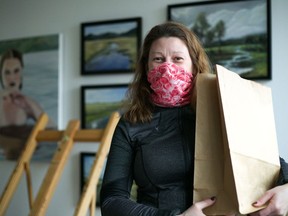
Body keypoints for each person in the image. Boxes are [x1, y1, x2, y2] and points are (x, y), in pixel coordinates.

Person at [100, 21, 288, 216]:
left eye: (178, 58)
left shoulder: (226, 110)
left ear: (194, 65)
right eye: (158, 59)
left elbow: (272, 167)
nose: (167, 67)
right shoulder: (131, 123)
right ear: (146, 67)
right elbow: (111, 200)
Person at [0, 49, 54, 159]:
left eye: (16, 71)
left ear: (22, 72)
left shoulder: (27, 102)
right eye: (7, 72)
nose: (12, 77)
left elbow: (52, 130)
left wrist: (28, 105)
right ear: (1, 74)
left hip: (23, 154)